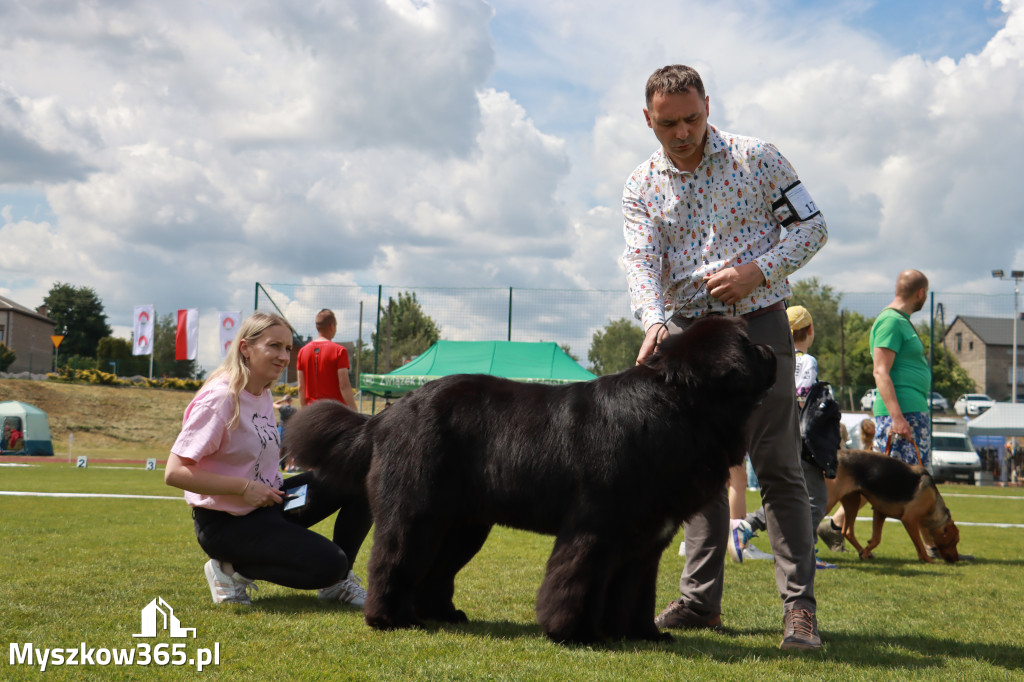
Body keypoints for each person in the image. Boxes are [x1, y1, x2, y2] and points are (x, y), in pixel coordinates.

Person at [623, 64, 828, 651]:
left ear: (708, 105)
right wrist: (655, 321)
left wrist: (755, 272)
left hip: (762, 325)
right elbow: (642, 263)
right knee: (698, 473)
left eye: (692, 118)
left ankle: (798, 611)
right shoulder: (640, 185)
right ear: (648, 120)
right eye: (668, 124)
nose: (683, 132)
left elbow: (812, 228)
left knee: (780, 467)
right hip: (686, 335)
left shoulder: (759, 157)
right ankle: (698, 602)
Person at [164, 312, 371, 606]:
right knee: (330, 564)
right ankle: (230, 568)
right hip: (227, 525)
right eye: (274, 346)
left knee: (358, 478)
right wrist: (243, 488)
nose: (284, 356)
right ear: (246, 349)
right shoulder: (220, 399)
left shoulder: (261, 392)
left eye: (287, 348)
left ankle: (339, 584)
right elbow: (174, 472)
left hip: (272, 504)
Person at [818, 271, 931, 553]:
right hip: (903, 415)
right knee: (902, 480)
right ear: (921, 293)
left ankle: (834, 526)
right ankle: (933, 545)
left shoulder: (900, 321)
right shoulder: (891, 321)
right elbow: (880, 371)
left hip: (909, 413)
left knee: (878, 480)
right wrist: (897, 417)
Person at [740, 306, 836, 570]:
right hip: (802, 436)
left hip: (771, 429)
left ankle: (750, 526)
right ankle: (805, 553)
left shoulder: (768, 357)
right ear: (810, 330)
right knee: (814, 497)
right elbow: (803, 398)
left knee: (780, 490)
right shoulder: (807, 361)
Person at [296, 309, 357, 409]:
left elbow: (301, 388)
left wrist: (305, 409)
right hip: (334, 412)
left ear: (317, 327)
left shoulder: (302, 352)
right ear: (332, 327)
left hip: (311, 411)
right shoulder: (339, 351)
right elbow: (344, 386)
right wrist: (354, 410)